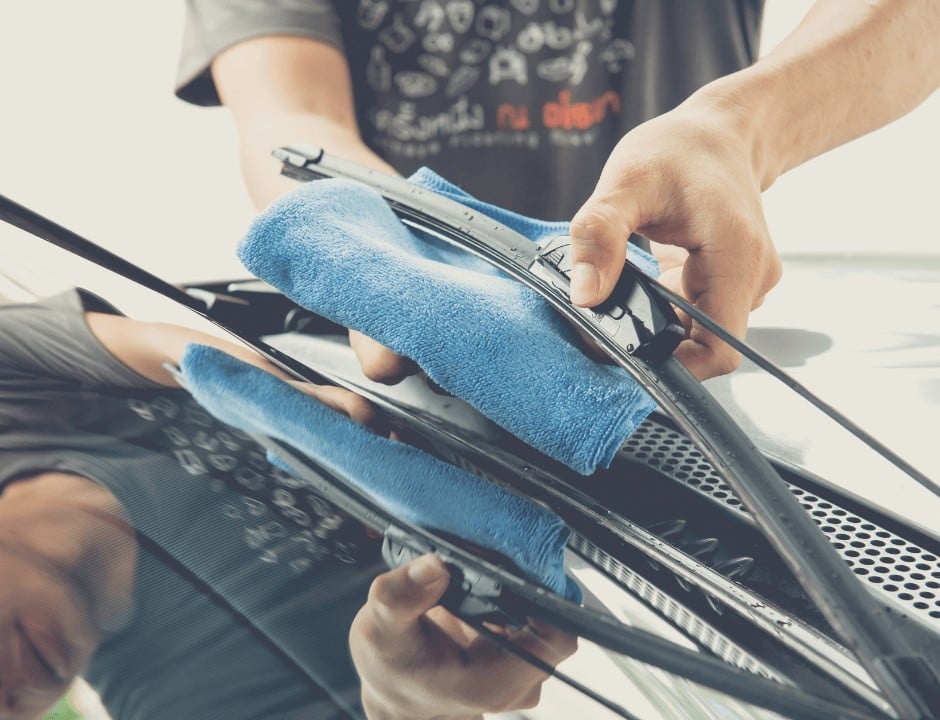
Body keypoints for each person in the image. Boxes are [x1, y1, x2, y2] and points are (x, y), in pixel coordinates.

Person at [175, 0, 940, 382]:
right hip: (411, 402)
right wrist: (374, 261)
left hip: (666, 387)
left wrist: (739, 132)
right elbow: (289, 121)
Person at [0, 288, 575, 719]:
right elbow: (405, 702)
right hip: (598, 534)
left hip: (458, 331)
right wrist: (410, 702)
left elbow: (161, 348)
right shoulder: (176, 704)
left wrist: (290, 404)